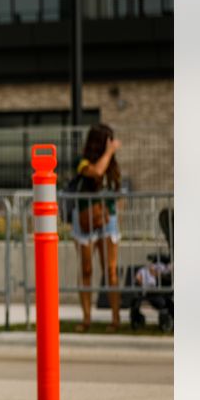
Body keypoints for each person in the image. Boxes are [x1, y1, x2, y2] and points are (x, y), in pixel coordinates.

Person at [71, 123, 123, 331]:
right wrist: (109, 152)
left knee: (110, 270)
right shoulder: (82, 161)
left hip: (107, 221)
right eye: (107, 141)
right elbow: (96, 171)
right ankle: (86, 318)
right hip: (85, 220)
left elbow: (117, 188)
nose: (111, 144)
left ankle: (116, 318)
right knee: (86, 269)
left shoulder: (112, 163)